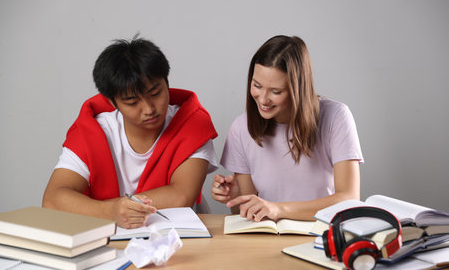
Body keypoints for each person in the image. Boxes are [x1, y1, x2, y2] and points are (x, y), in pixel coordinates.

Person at [43, 36, 218, 229]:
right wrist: (111, 211)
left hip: (177, 237)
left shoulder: (192, 122)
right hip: (107, 240)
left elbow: (181, 196)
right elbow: (53, 200)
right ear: (111, 101)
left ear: (167, 82)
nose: (149, 109)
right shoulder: (92, 131)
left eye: (155, 93)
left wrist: (106, 209)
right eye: (132, 102)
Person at [212, 35, 363, 222]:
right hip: (268, 237)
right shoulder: (241, 128)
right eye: (257, 85)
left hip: (322, 234)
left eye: (276, 91)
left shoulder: (336, 116)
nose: (263, 99)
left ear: (298, 89)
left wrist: (278, 209)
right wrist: (236, 197)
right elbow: (249, 214)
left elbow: (349, 199)